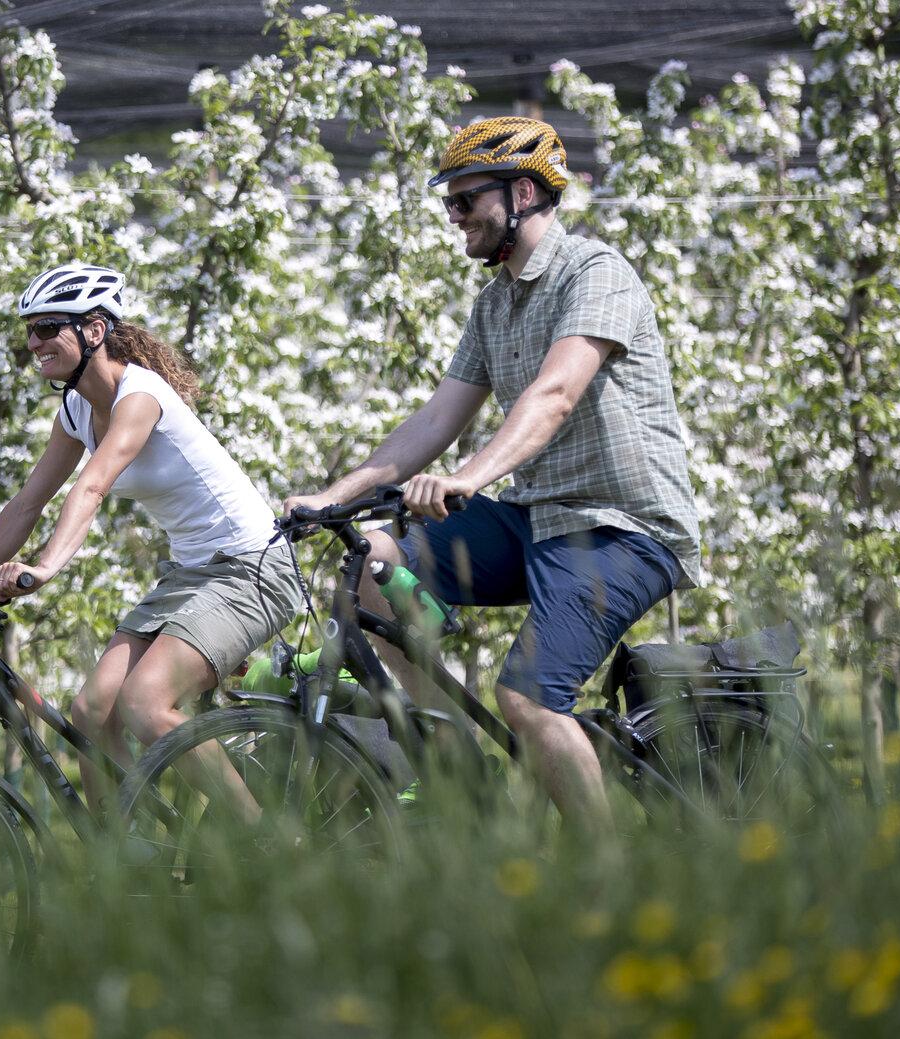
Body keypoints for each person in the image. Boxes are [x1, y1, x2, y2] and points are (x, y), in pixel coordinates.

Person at [284, 117, 703, 835]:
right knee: (371, 568)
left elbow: (555, 394)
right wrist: (335, 496)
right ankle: (461, 776)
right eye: (448, 202)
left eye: (464, 199)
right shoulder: (493, 304)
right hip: (536, 517)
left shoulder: (596, 274)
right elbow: (436, 421)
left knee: (531, 700)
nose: (453, 217)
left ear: (521, 193)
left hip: (622, 528)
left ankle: (612, 878)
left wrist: (468, 478)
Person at [0, 262, 300, 815]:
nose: (34, 342)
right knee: (93, 713)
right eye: (30, 330)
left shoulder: (141, 395)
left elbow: (92, 486)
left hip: (253, 567)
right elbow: (27, 503)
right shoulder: (76, 409)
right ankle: (125, 867)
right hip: (192, 573)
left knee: (146, 704)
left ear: (93, 330)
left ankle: (269, 841)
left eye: (48, 327)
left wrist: (45, 567)